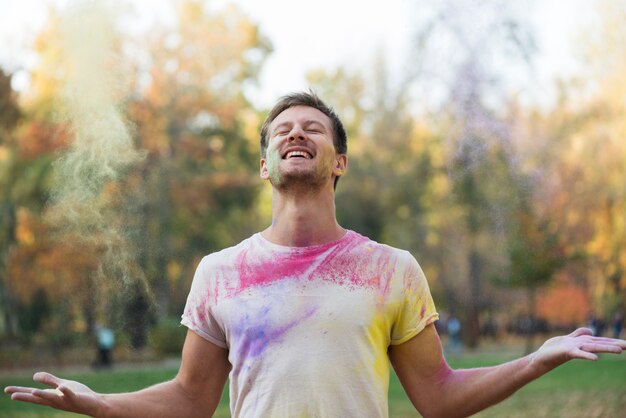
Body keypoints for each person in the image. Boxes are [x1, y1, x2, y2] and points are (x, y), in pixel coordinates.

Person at [5, 91, 626, 418]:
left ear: (339, 162)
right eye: (281, 131)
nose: (295, 133)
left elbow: (439, 397)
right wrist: (98, 403)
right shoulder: (218, 273)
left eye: (312, 128)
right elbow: (191, 401)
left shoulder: (392, 268)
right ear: (264, 164)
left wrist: (538, 359)